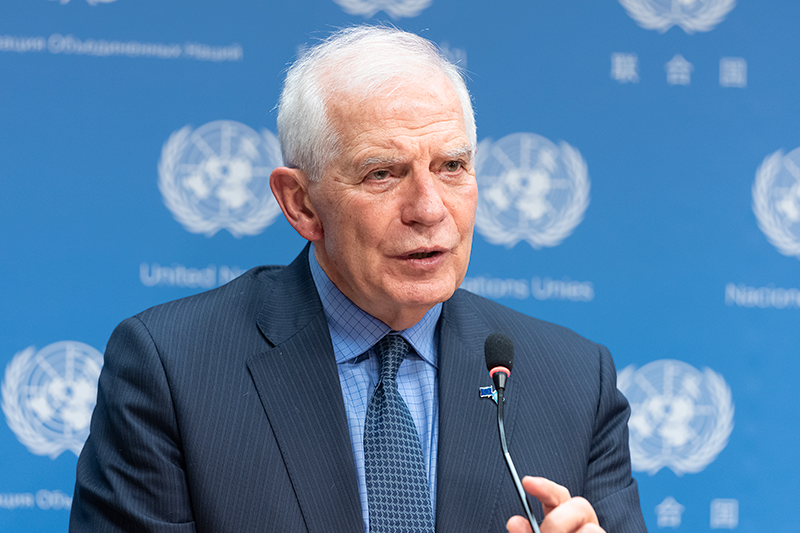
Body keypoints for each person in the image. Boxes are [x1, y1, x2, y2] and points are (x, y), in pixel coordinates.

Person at [70, 25, 647, 533]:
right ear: (300, 204)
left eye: (451, 166)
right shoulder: (172, 370)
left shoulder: (576, 380)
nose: (429, 209)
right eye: (382, 174)